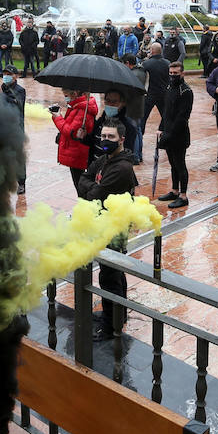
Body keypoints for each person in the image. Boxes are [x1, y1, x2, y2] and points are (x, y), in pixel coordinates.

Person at [77, 121, 138, 341]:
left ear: (122, 139)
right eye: (103, 136)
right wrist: (90, 187)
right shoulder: (104, 159)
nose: (105, 140)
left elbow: (93, 194)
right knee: (115, 271)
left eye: (111, 137)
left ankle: (111, 326)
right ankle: (118, 315)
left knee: (110, 276)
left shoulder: (122, 168)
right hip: (103, 222)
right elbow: (84, 179)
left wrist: (90, 188)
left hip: (114, 227)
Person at [157, 61, 193, 208]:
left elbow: (182, 116)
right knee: (172, 164)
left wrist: (169, 133)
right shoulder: (169, 87)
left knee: (180, 164)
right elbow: (166, 111)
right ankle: (174, 190)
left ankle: (183, 196)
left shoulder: (186, 91)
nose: (172, 76)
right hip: (167, 132)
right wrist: (161, 128)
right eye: (170, 74)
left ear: (182, 74)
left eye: (175, 74)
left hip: (179, 134)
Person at [52, 88, 98, 190]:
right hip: (75, 150)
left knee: (80, 185)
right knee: (79, 182)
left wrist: (57, 117)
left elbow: (71, 131)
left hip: (77, 152)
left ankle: (84, 204)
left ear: (75, 94)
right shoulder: (77, 106)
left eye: (66, 95)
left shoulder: (82, 109)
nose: (66, 98)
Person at [0, 64, 27, 195]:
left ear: (16, 76)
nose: (6, 76)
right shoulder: (4, 87)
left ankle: (22, 183)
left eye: (9, 74)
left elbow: (15, 103)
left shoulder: (20, 90)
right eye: (5, 74)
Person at [117, 53, 147, 163]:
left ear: (128, 63)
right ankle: (138, 154)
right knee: (138, 131)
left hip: (133, 106)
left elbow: (130, 91)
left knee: (134, 131)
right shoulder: (141, 71)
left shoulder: (134, 74)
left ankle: (135, 156)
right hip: (138, 105)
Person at [140, 42, 171, 141]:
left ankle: (139, 138)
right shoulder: (167, 63)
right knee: (166, 117)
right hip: (163, 94)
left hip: (149, 95)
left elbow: (142, 80)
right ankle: (167, 138)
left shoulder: (146, 64)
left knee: (142, 118)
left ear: (152, 51)